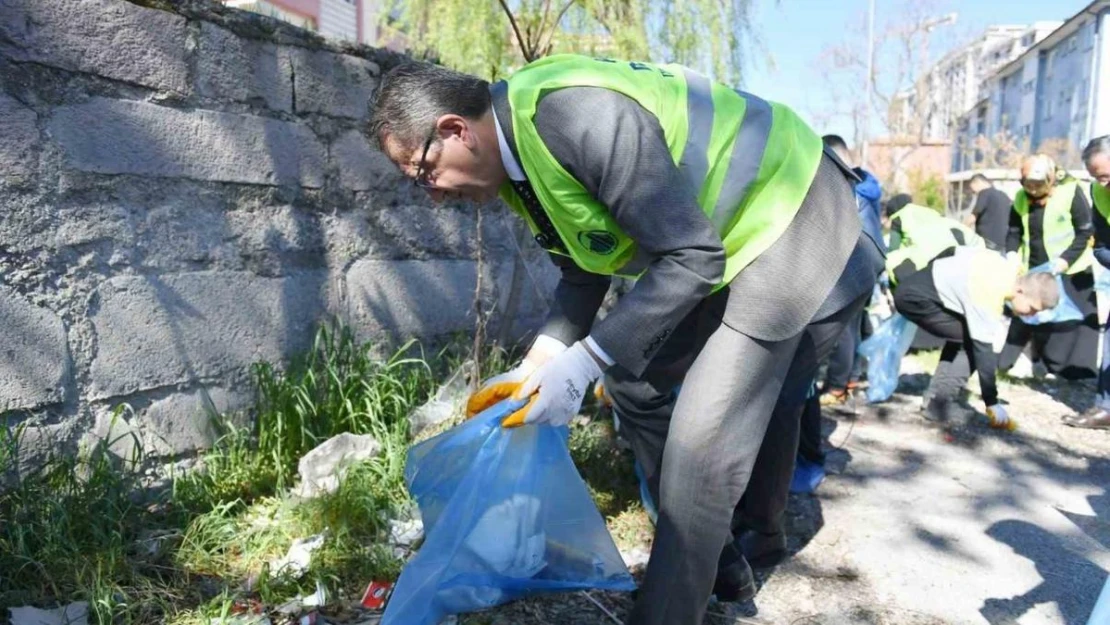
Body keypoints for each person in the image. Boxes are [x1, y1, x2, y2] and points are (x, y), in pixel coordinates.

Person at [368, 56, 885, 625]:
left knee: (701, 445)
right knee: (635, 385)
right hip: (725, 243)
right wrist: (540, 363)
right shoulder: (517, 168)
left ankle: (671, 604)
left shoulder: (574, 117)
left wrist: (584, 361)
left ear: (454, 130)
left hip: (789, 217)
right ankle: (716, 561)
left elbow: (691, 257)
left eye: (422, 175)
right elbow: (582, 272)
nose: (433, 197)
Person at [894, 245, 1058, 426]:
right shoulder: (990, 292)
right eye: (1032, 308)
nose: (1032, 315)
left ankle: (934, 400)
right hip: (915, 298)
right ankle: (939, 406)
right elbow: (984, 352)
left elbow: (952, 250)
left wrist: (931, 274)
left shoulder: (1007, 267)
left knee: (965, 335)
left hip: (916, 286)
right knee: (972, 343)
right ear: (1020, 291)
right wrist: (992, 402)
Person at [999, 154, 1099, 380]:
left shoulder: (1071, 192)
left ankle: (1072, 374)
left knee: (1069, 324)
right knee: (1029, 316)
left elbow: (1085, 231)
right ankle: (1021, 364)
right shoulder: (1020, 198)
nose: (1033, 190)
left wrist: (1064, 261)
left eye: (1038, 185)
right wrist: (1013, 255)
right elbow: (1014, 231)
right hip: (1033, 268)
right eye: (1028, 185)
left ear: (1051, 180)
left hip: (1070, 269)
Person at [816, 134, 885, 406]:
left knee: (841, 328)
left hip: (853, 260)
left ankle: (836, 387)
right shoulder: (866, 183)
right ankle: (851, 377)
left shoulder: (847, 186)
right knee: (853, 326)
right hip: (871, 259)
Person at [1064, 136, 1110, 429]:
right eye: (1097, 178)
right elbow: (1101, 246)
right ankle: (1106, 407)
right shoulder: (1098, 192)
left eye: (1106, 176)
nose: (1103, 184)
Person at [964, 173, 1011, 249]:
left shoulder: (984, 193)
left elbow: (973, 217)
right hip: (1003, 242)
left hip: (987, 242)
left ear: (977, 182)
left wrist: (961, 228)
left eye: (973, 190)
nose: (974, 193)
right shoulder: (1004, 195)